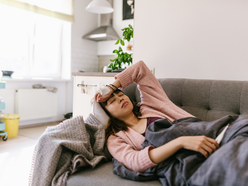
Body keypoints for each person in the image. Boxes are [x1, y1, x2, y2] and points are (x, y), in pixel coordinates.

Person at [94, 60, 219, 172]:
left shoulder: (150, 104)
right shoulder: (115, 139)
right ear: (107, 113)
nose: (120, 99)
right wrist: (180, 142)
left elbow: (140, 68)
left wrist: (111, 87)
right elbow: (135, 161)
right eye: (112, 101)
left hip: (204, 133)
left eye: (120, 94)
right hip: (186, 157)